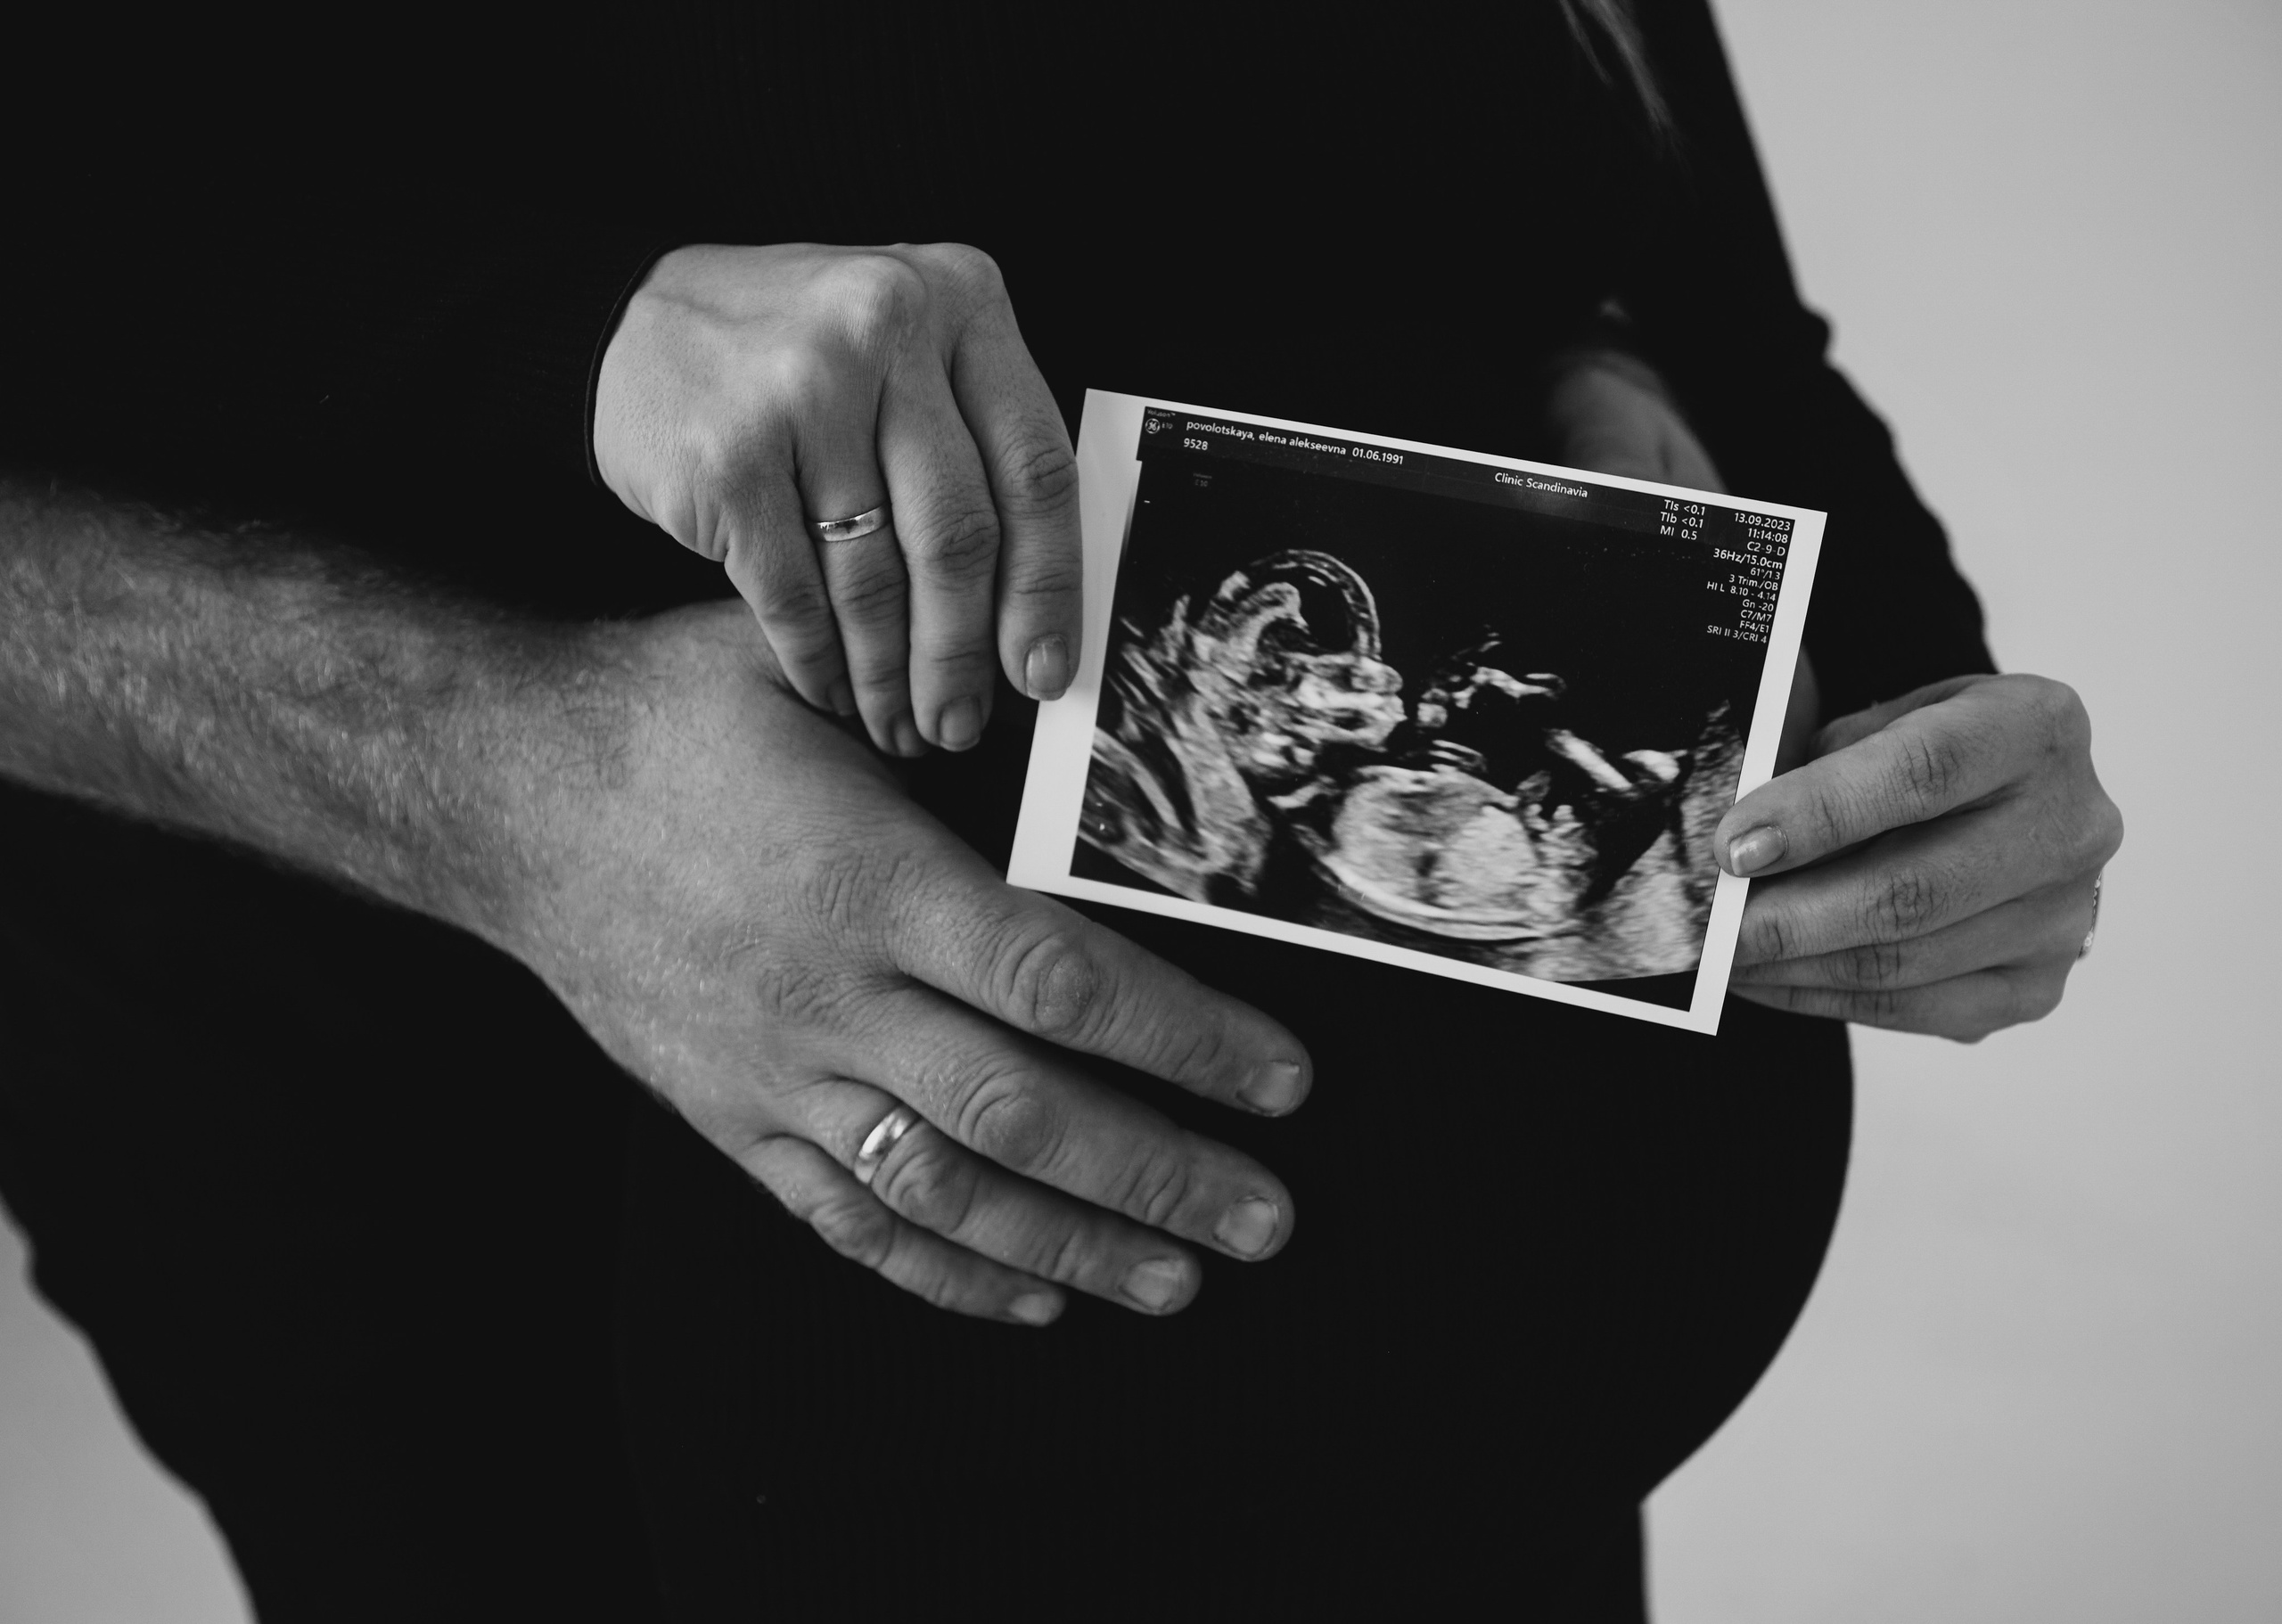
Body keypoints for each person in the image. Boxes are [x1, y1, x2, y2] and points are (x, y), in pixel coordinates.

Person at [0, 4, 2121, 1618]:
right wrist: (501, 767)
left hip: (1476, 1467)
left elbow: (1687, 279)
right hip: (613, 1332)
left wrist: (1917, 698)